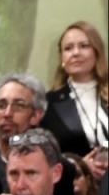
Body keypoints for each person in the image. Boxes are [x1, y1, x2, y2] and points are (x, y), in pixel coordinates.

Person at [41, 21, 108, 177]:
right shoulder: (48, 103)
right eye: (68, 48)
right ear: (62, 57)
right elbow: (44, 156)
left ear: (97, 51)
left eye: (84, 46)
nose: (76, 53)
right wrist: (78, 165)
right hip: (76, 190)